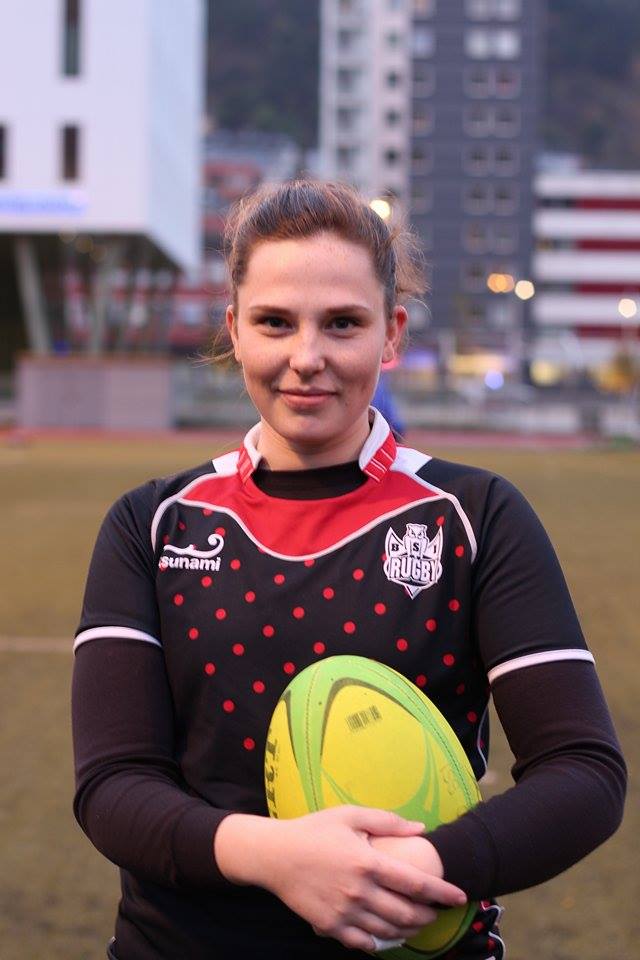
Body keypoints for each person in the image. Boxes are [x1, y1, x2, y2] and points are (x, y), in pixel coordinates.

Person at [72, 180, 626, 960]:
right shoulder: (153, 523)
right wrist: (279, 858)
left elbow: (584, 773)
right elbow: (113, 785)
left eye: (342, 323)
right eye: (275, 322)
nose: (307, 359)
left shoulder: (476, 515)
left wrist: (413, 868)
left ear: (390, 334)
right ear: (235, 330)